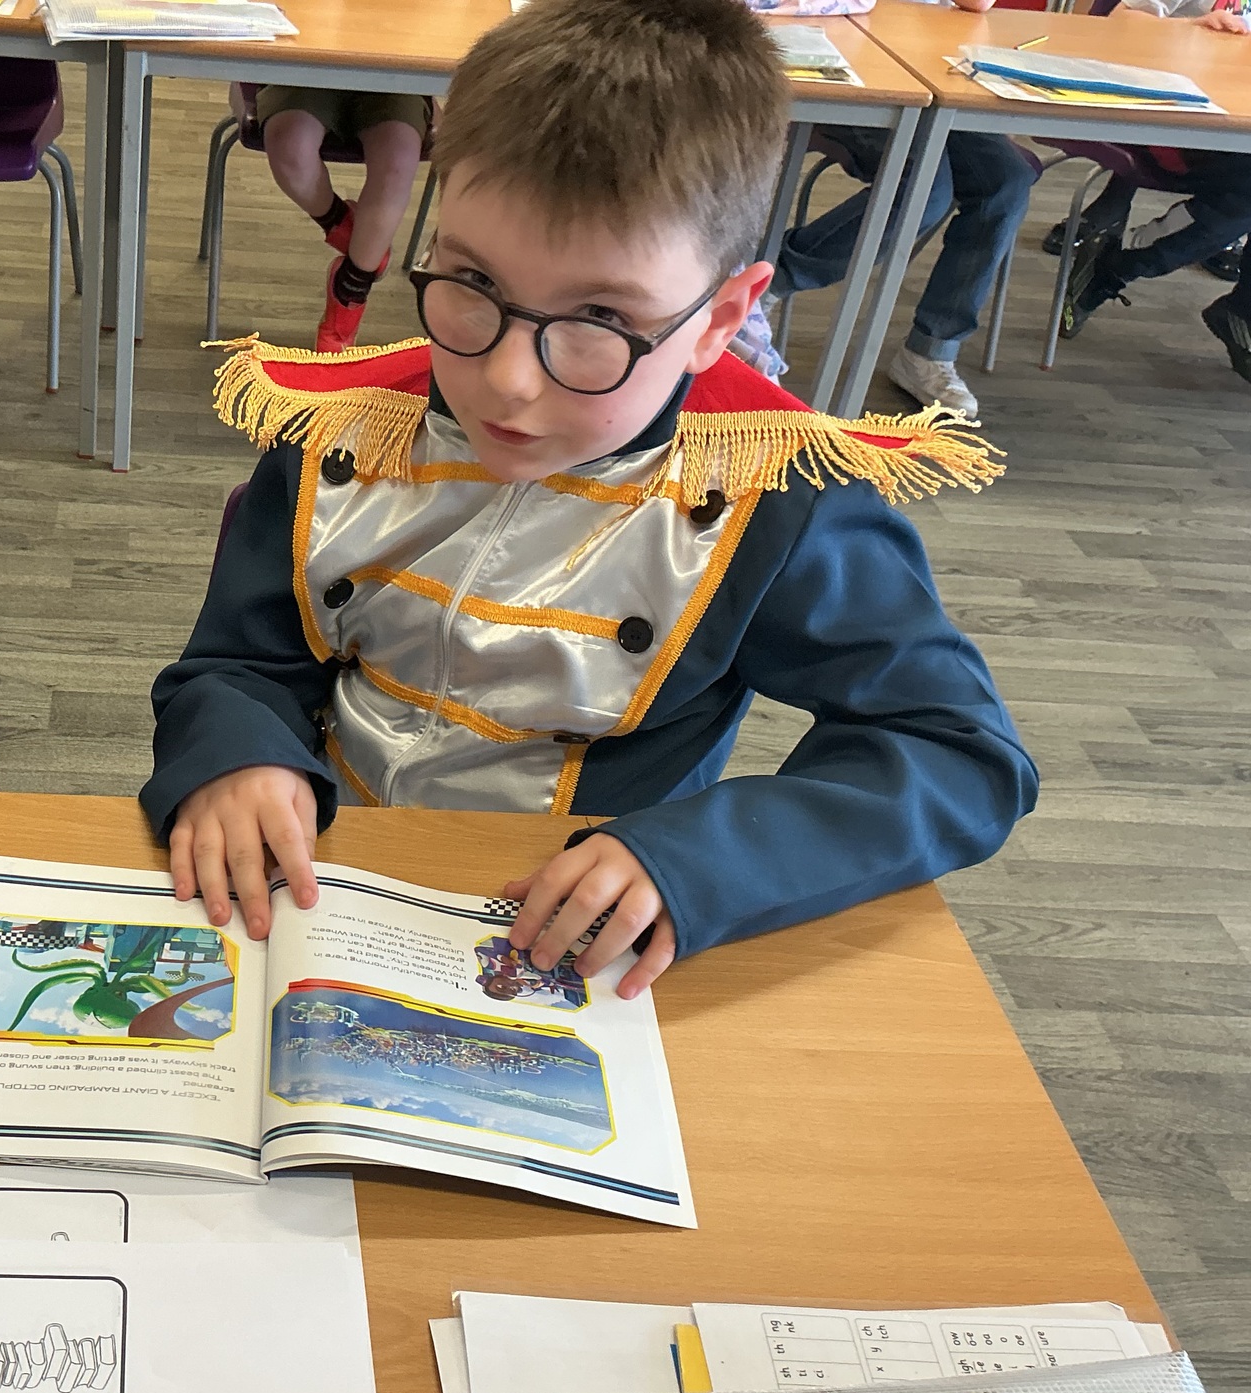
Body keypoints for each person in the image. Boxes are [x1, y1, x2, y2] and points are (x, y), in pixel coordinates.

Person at [143, 0, 1036, 1000]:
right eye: (470, 279)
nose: (508, 382)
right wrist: (237, 754)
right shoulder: (341, 429)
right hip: (326, 893)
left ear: (720, 320)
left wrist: (692, 860)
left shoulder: (775, 501)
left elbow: (956, 754)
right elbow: (241, 661)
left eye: (600, 317)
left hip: (580, 945)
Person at [766, 0, 1035, 417]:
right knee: (924, 191)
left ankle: (930, 349)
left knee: (1006, 180)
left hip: (932, 70)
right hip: (854, 59)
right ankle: (768, 280)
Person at [1060, 8, 1251, 381]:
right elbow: (1121, 20)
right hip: (1175, 116)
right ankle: (1115, 263)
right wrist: (1191, 26)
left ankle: (1242, 312)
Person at [251, 87, 429, 351]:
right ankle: (361, 252)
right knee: (291, 146)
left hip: (396, 79)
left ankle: (350, 292)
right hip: (303, 76)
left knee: (399, 160)